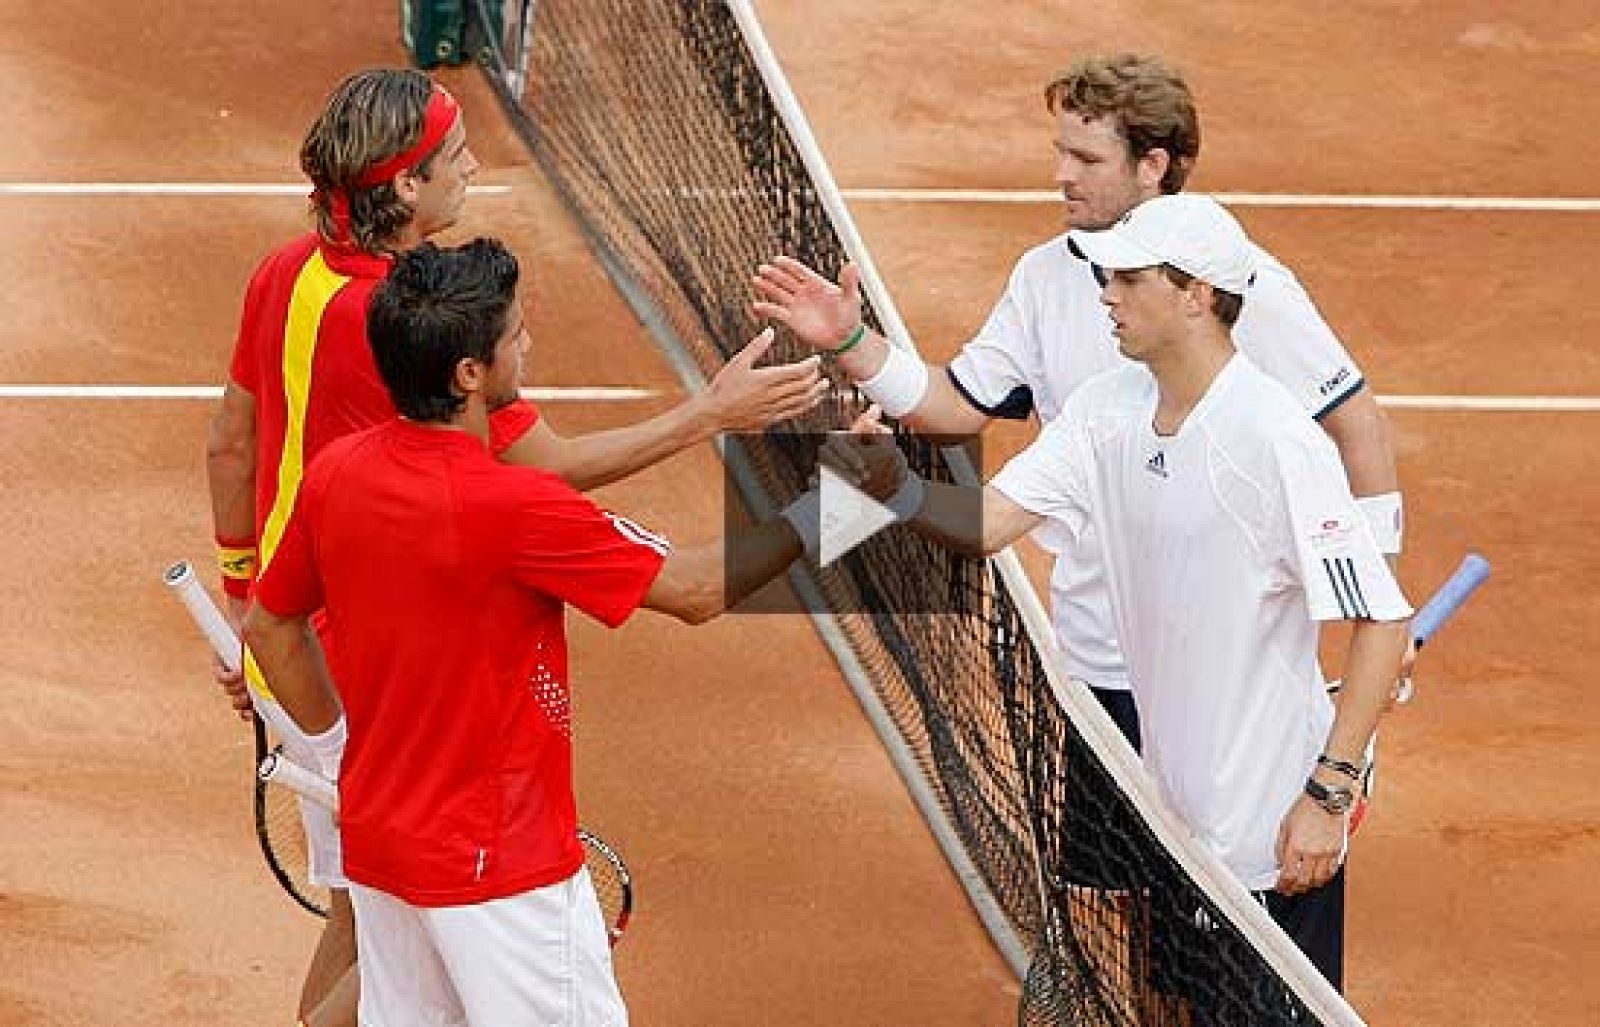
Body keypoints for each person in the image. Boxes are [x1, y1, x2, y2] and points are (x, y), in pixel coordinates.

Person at [204, 69, 824, 1027]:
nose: (472, 167)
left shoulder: (291, 287)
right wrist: (842, 475)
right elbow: (663, 561)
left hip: (337, 677)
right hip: (483, 834)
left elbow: (231, 445)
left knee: (370, 940)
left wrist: (265, 637)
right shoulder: (498, 489)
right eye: (454, 156)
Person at [752, 53, 1406, 753]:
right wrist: (852, 341)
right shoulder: (1044, 279)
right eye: (1061, 151)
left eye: (1086, 157)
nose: (1061, 174)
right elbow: (955, 407)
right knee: (1107, 864)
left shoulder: (1232, 283)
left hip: (1224, 661)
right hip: (1098, 651)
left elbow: (1355, 423)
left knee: (1242, 849)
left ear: (1152, 164)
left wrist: (1383, 585)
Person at [846, 193, 1410, 995]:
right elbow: (988, 521)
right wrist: (896, 489)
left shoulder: (1273, 439)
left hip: (1264, 832)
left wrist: (1328, 792)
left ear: (1197, 296)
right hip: (1171, 811)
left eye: (1128, 278)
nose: (1104, 294)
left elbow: (1382, 623)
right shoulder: (1107, 409)